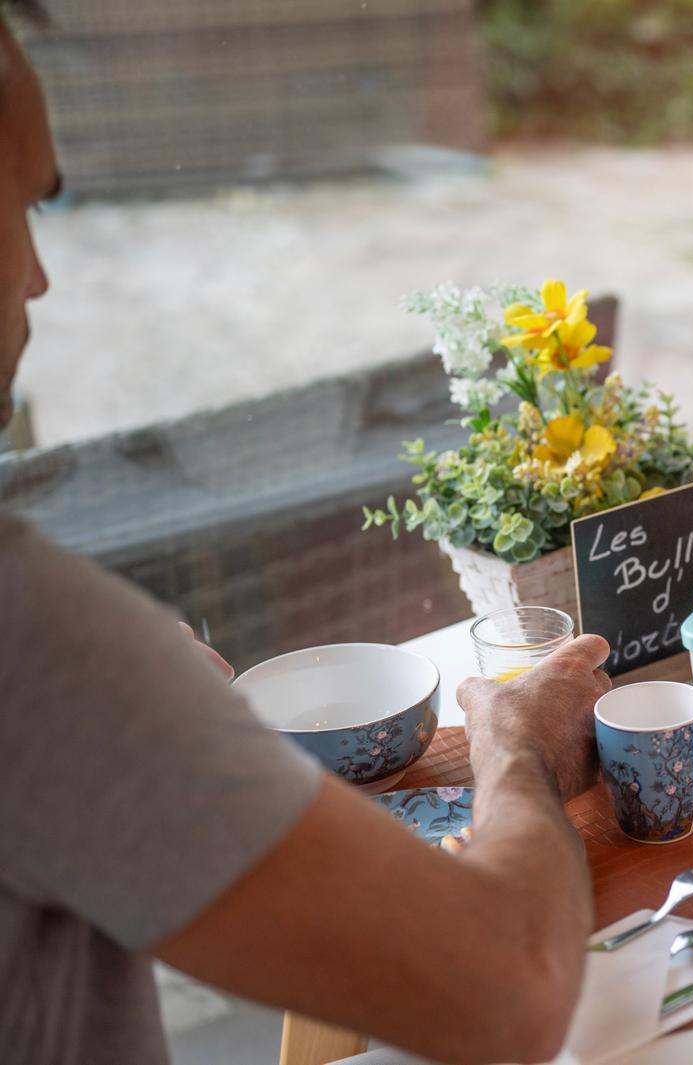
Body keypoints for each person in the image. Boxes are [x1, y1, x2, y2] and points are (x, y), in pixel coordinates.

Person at [0, 16, 612, 1065]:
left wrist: (136, 715)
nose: (41, 277)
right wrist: (514, 742)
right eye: (22, 204)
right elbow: (514, 988)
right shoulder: (31, 642)